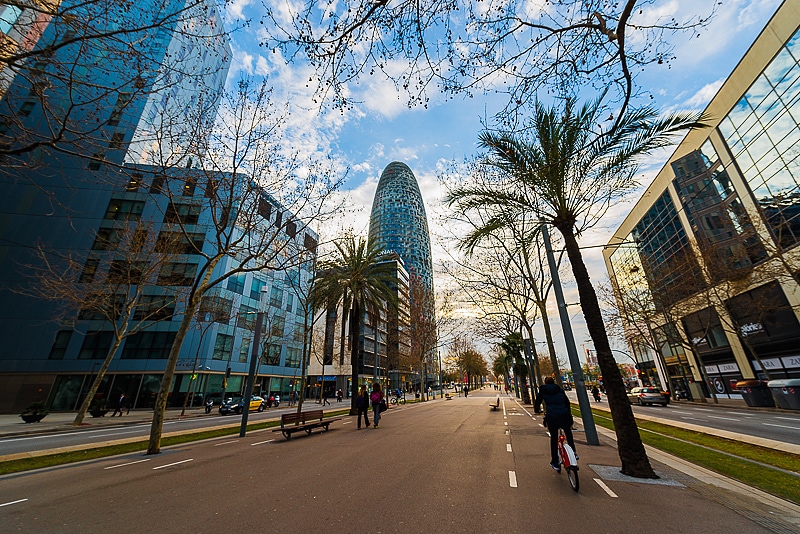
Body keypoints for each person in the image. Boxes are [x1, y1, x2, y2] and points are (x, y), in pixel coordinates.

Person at [534, 377, 577, 473]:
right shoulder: (560, 389)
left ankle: (555, 462)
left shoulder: (543, 390)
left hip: (552, 416)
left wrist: (536, 410)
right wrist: (568, 413)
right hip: (564, 415)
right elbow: (567, 402)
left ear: (545, 383)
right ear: (554, 382)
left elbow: (538, 402)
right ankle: (573, 452)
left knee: (554, 438)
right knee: (568, 431)